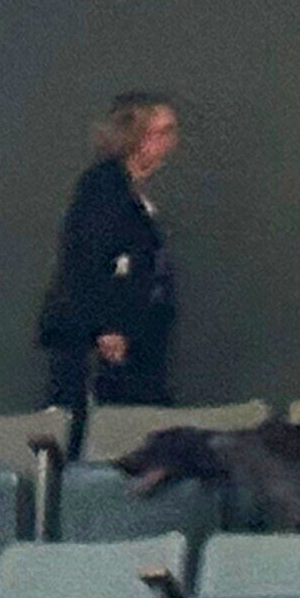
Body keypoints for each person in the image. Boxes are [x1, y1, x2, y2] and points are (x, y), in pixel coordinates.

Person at [39, 92, 182, 433]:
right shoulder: (104, 188)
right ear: (136, 137)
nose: (172, 141)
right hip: (104, 349)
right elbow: (88, 258)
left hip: (136, 340)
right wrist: (106, 326)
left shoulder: (130, 192)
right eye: (162, 132)